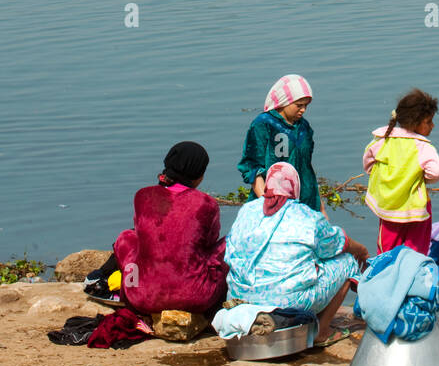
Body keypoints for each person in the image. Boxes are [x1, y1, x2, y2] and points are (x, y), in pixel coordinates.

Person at [221, 162, 368, 345]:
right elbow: (337, 243)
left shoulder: (247, 211)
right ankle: (321, 332)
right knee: (347, 262)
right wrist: (361, 251)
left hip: (239, 298)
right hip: (286, 303)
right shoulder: (307, 216)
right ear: (295, 187)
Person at [109, 141, 228, 315]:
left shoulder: (142, 196)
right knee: (230, 243)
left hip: (141, 296)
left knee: (126, 238)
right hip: (195, 297)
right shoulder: (206, 203)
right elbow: (209, 243)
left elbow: (141, 235)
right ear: (199, 174)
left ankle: (129, 289)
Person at [363, 89, 439, 255]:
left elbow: (368, 161)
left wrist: (380, 175)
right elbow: (436, 171)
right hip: (415, 210)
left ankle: (385, 277)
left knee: (387, 249)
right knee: (416, 250)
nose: (432, 126)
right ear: (415, 123)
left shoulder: (384, 139)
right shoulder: (422, 146)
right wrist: (423, 178)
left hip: (388, 206)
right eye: (428, 122)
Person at [238, 74, 321, 211]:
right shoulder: (264, 125)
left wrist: (319, 206)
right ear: (284, 102)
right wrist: (264, 202)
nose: (303, 110)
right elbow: (252, 166)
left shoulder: (304, 127)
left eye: (306, 105)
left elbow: (307, 166)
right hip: (272, 201)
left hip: (305, 200)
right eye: (298, 105)